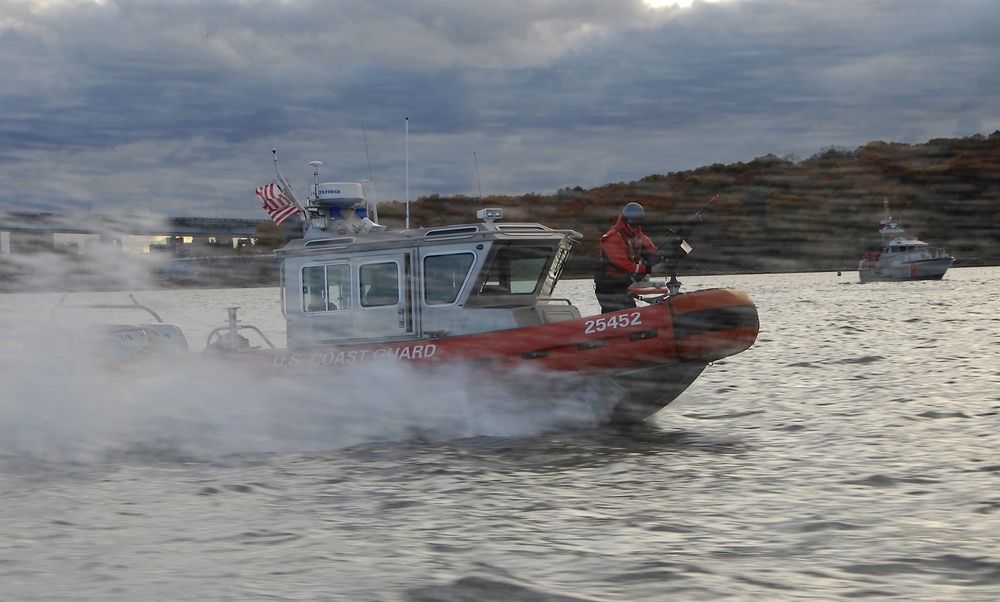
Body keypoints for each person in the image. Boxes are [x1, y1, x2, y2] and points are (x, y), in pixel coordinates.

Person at [594, 202, 662, 313]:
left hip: (622, 286)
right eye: (631, 223)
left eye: (637, 223)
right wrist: (649, 269)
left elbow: (653, 251)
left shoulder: (639, 236)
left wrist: (664, 257)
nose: (634, 227)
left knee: (631, 313)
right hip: (607, 287)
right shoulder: (612, 238)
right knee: (615, 315)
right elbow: (623, 265)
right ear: (625, 221)